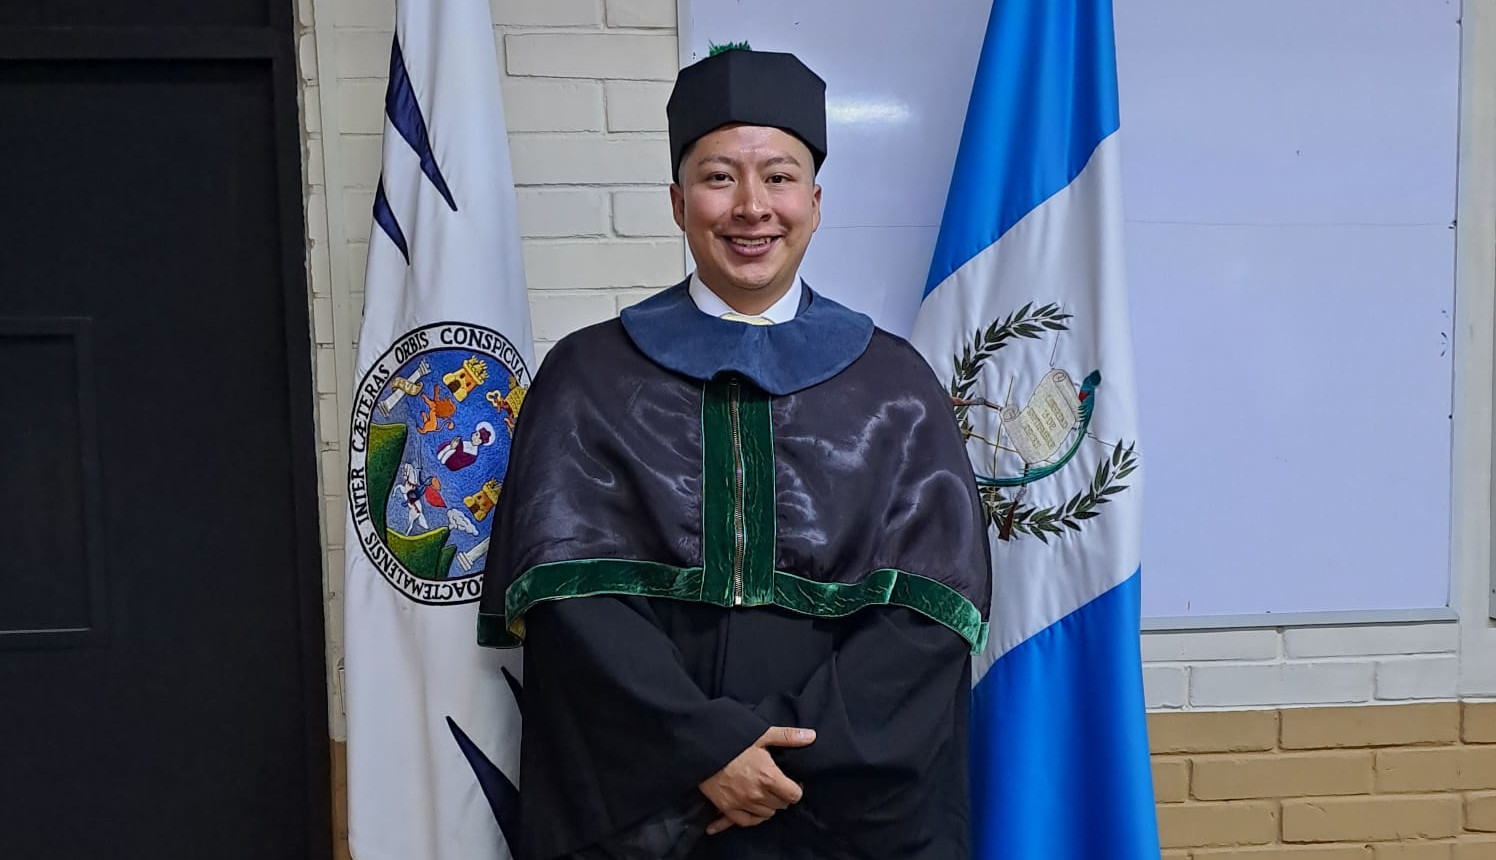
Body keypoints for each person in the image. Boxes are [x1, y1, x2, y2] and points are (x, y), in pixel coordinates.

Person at [478, 47, 991, 860]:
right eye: (720, 177)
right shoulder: (589, 377)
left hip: (842, 814)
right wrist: (703, 748)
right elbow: (572, 610)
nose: (752, 208)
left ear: (816, 203)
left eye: (779, 177)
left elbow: (925, 621)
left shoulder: (894, 386)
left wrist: (785, 764)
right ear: (678, 204)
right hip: (650, 809)